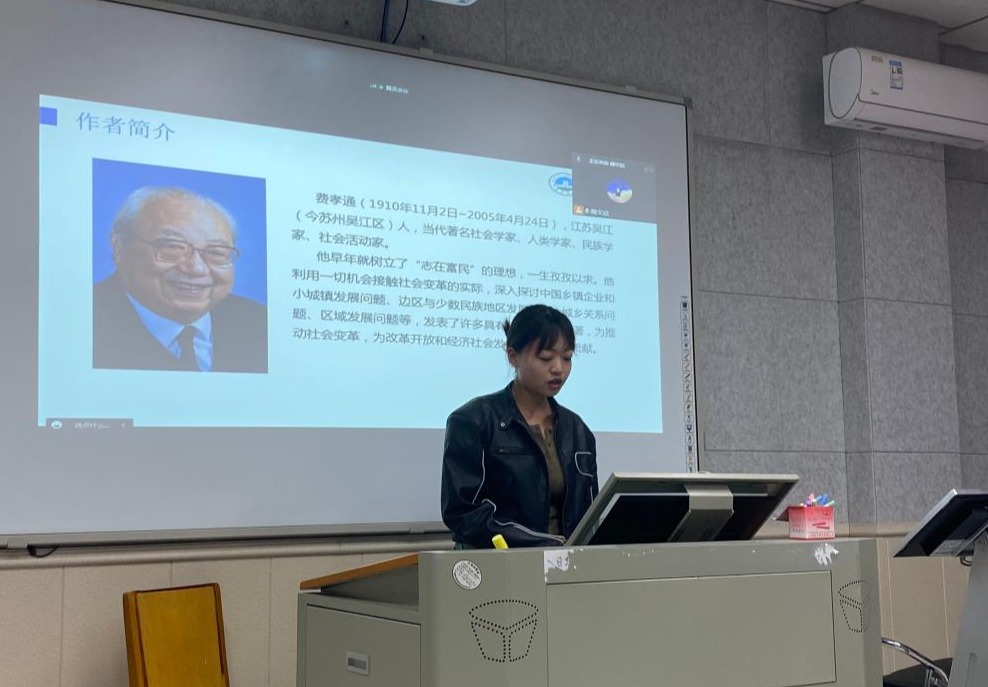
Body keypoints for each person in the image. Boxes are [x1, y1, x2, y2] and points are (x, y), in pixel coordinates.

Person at [441, 304, 599, 548]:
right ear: (513, 356)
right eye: (545, 358)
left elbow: (590, 513)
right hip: (501, 563)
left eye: (567, 357)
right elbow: (463, 514)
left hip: (567, 564)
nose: (558, 368)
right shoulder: (473, 421)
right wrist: (542, 543)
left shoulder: (577, 431)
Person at [93, 186, 267, 373]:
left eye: (216, 252)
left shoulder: (260, 324)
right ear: (119, 247)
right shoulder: (85, 318)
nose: (197, 269)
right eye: (172, 247)